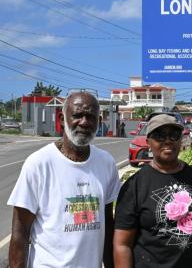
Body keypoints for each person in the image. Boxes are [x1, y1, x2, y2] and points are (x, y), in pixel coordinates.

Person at [7, 91, 121, 268]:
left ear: (98, 122)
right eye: (77, 115)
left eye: (91, 117)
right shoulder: (39, 163)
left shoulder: (106, 163)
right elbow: (20, 233)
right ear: (61, 119)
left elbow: (107, 226)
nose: (84, 122)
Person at [113, 113, 192, 268]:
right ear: (148, 143)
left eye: (174, 135)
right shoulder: (135, 186)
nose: (167, 140)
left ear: (181, 139)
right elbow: (122, 245)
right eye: (159, 136)